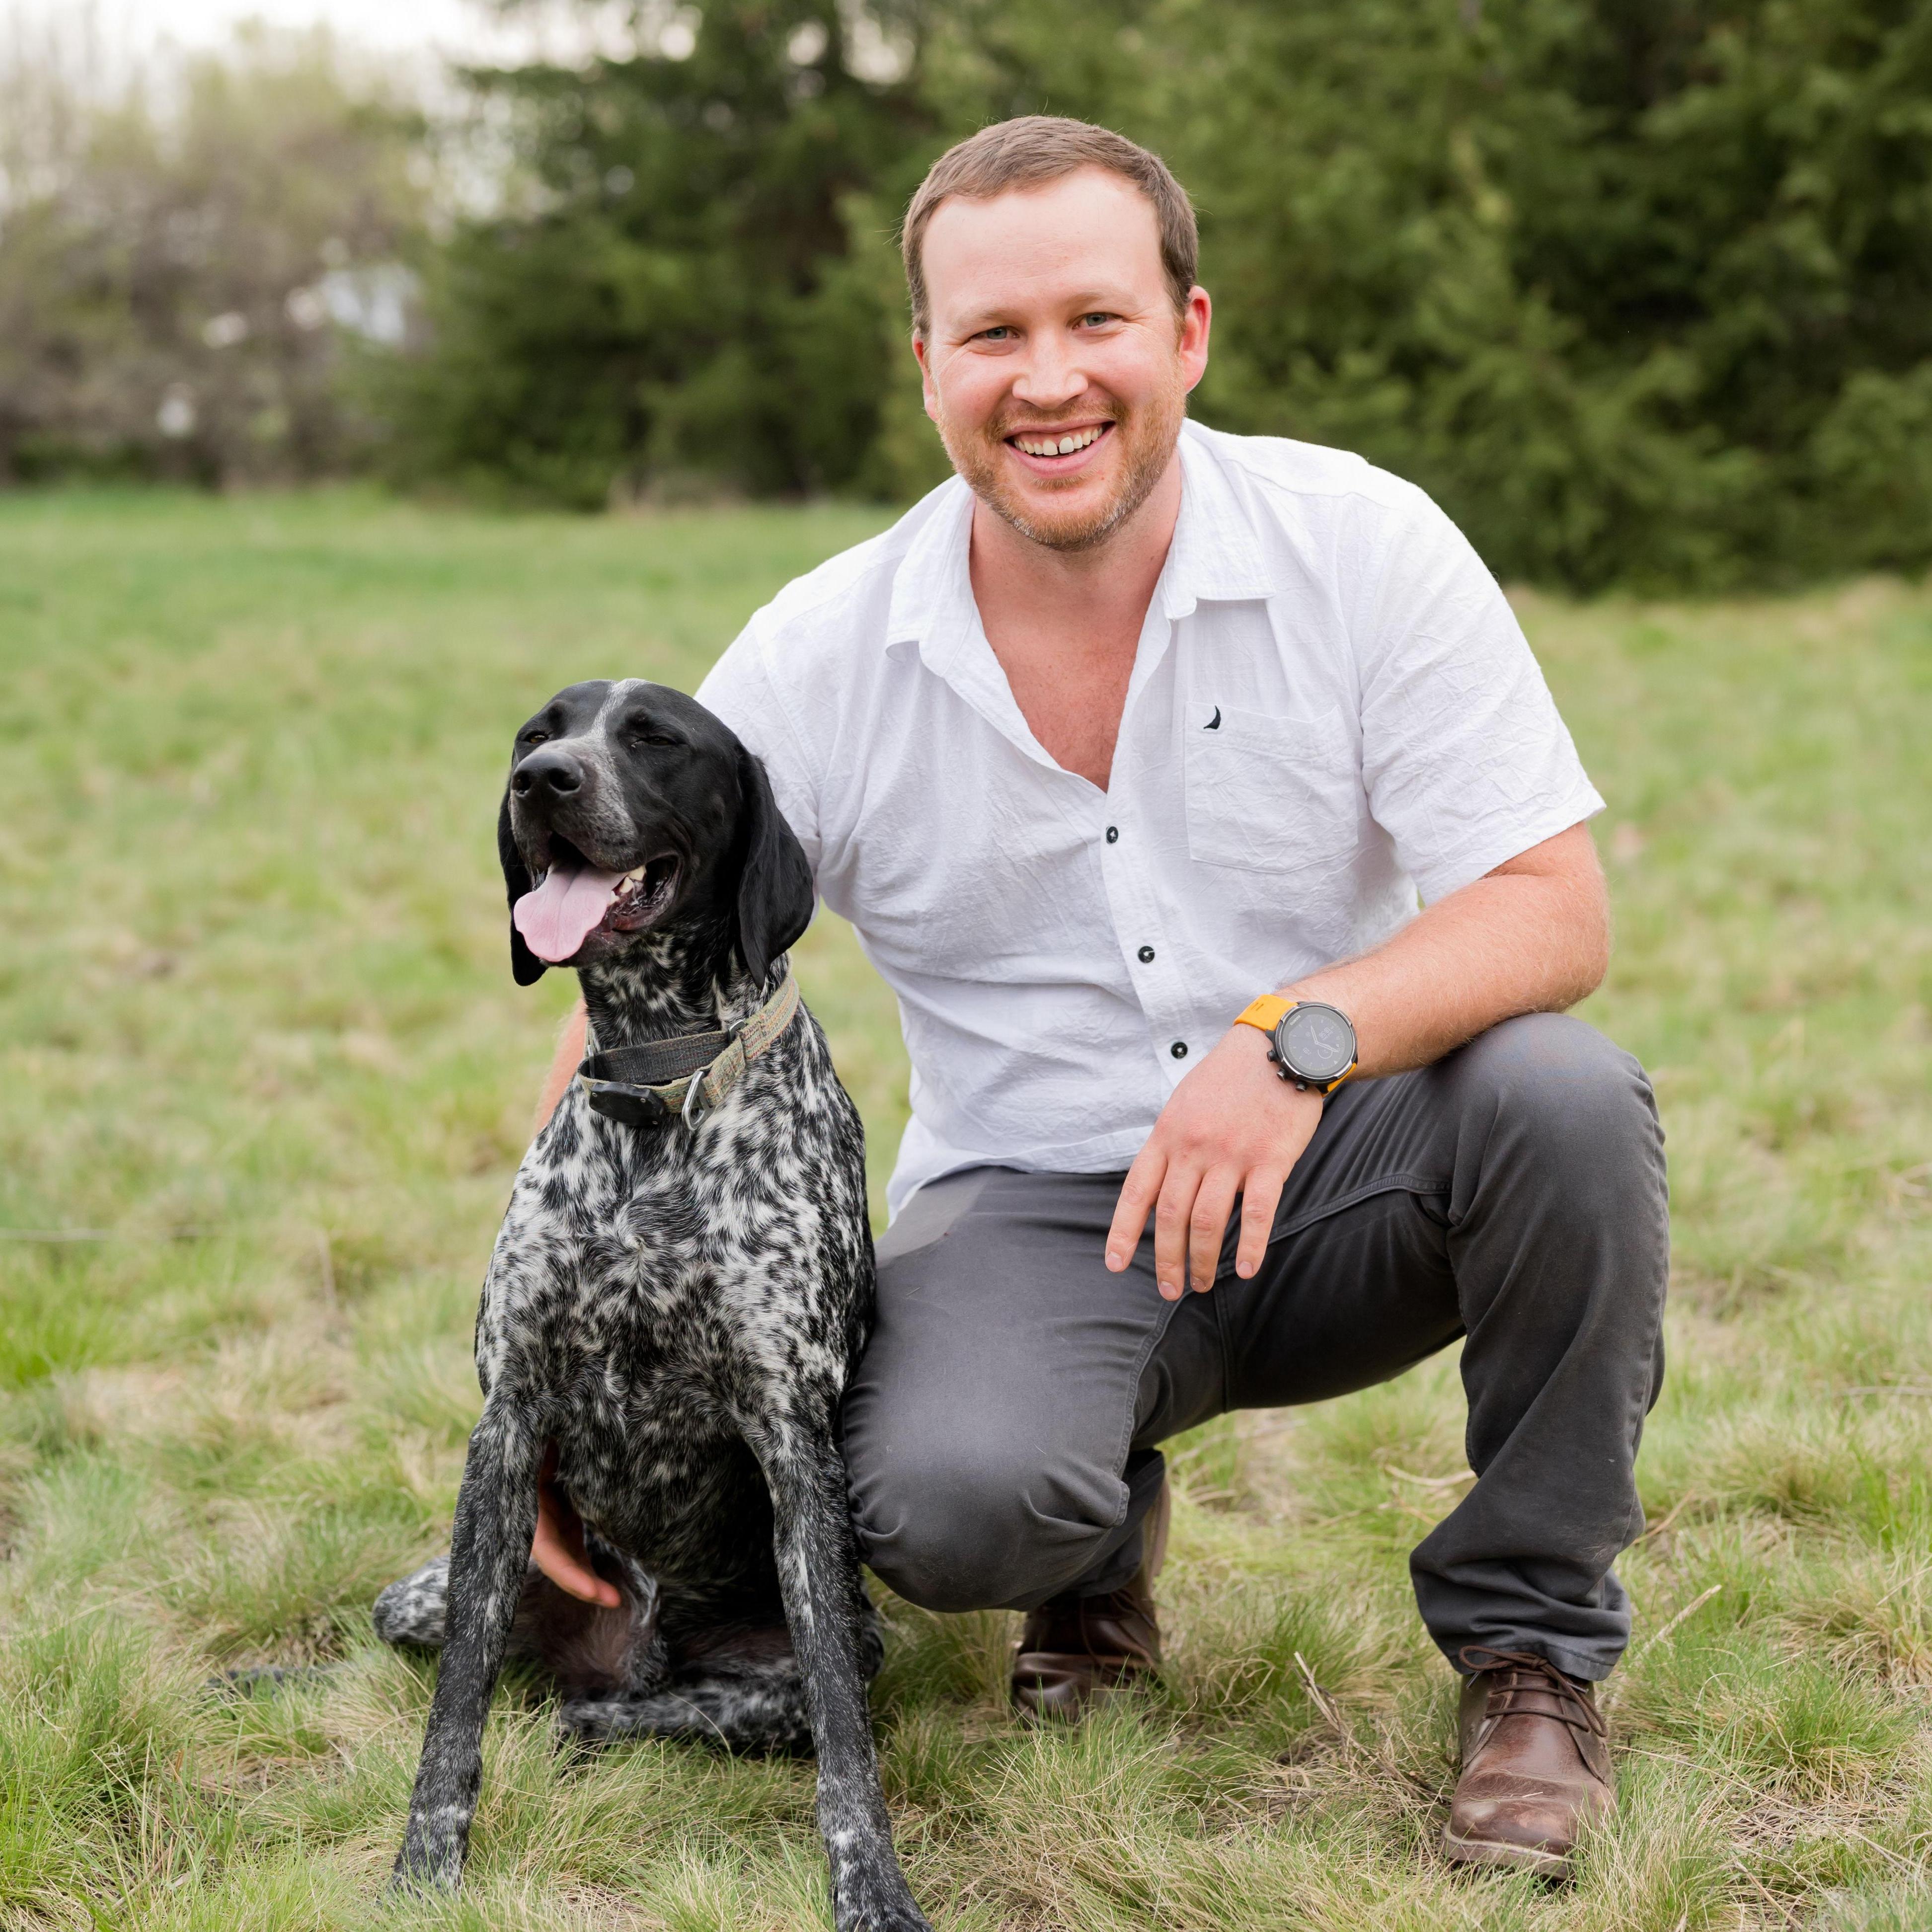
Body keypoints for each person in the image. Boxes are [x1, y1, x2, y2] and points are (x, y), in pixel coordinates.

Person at [527, 116, 1667, 1876]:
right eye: (990, 335)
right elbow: (641, 992)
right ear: (925, 366)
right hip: (1034, 1203)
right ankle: (1084, 1558)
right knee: (947, 1500)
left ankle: (1528, 1651)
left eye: (1095, 321)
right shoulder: (821, 656)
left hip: (1345, 1166)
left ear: (1187, 332)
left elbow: (1552, 909)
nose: (1044, 380)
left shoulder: (1363, 545)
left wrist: (1295, 1047)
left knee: (1570, 1099)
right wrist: (559, 1399)